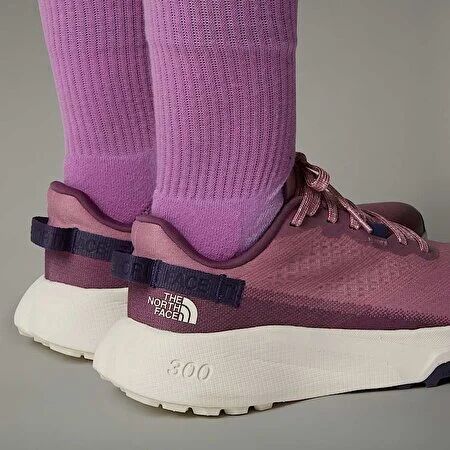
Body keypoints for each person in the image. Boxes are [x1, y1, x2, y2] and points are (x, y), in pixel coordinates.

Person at [15, 0, 450, 414]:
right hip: (228, 284)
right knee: (224, 208)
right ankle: (225, 227)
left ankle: (112, 213)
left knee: (124, 177)